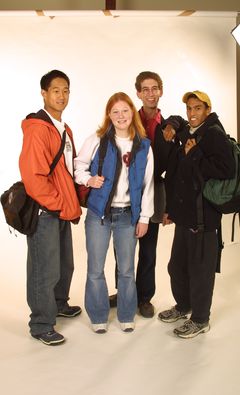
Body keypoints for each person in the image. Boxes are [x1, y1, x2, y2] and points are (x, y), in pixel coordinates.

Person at [74, 92, 154, 334]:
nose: (121, 116)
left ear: (132, 113)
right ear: (109, 115)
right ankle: (98, 317)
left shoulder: (143, 145)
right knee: (95, 268)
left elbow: (148, 184)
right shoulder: (97, 140)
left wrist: (144, 218)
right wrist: (89, 180)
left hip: (128, 216)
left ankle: (126, 315)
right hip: (99, 215)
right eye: (115, 112)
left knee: (127, 270)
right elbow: (78, 166)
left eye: (125, 111)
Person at [158, 91, 235, 338]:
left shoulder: (213, 135)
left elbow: (227, 169)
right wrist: (171, 124)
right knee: (176, 266)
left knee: (201, 271)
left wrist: (195, 156)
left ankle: (201, 319)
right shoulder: (193, 131)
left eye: (197, 108)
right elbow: (176, 121)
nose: (192, 113)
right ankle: (183, 306)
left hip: (204, 219)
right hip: (185, 216)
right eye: (190, 108)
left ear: (207, 110)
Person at [19, 70, 82, 346]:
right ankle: (41, 324)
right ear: (44, 93)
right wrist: (56, 204)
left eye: (66, 90)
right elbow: (33, 176)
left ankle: (58, 304)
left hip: (61, 210)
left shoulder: (64, 129)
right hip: (46, 211)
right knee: (44, 270)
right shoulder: (37, 128)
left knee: (64, 265)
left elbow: (68, 170)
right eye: (56, 90)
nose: (62, 96)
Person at [109, 71, 178, 318]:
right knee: (123, 248)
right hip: (126, 193)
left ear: (161, 91)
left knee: (149, 249)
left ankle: (144, 297)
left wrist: (169, 205)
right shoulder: (126, 118)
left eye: (154, 88)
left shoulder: (169, 126)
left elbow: (173, 170)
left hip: (154, 191)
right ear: (138, 93)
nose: (150, 93)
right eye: (145, 89)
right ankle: (124, 291)